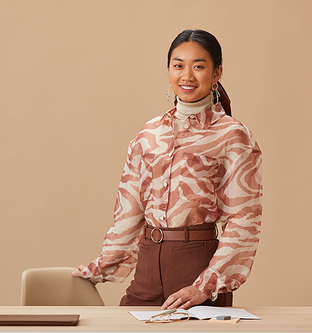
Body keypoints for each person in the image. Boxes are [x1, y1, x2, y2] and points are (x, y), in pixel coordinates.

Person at [72, 29, 262, 310]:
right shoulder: (149, 134)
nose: (187, 76)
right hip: (148, 267)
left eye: (198, 66)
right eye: (178, 65)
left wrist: (205, 286)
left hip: (197, 265)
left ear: (217, 72)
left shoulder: (233, 136)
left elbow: (243, 220)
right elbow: (129, 211)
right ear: (169, 70)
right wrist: (100, 268)